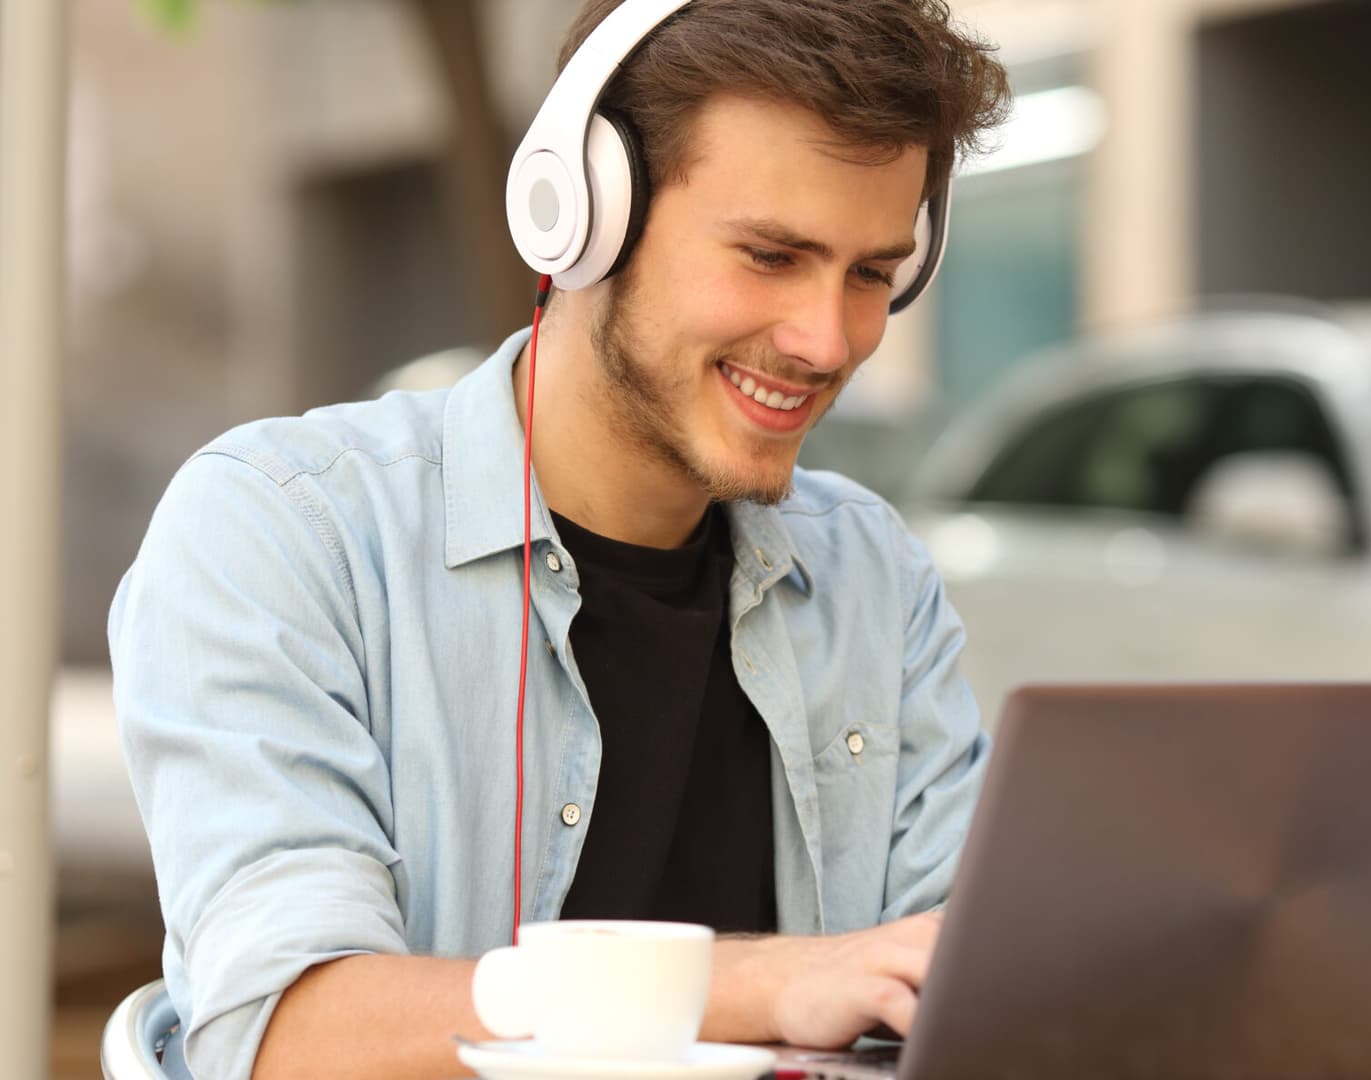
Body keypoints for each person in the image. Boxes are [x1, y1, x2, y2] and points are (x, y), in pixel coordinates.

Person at [108, 1, 1011, 1076]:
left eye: (871, 273)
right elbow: (294, 1033)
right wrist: (764, 983)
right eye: (771, 256)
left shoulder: (872, 576)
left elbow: (967, 985)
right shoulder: (281, 531)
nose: (828, 338)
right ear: (583, 211)